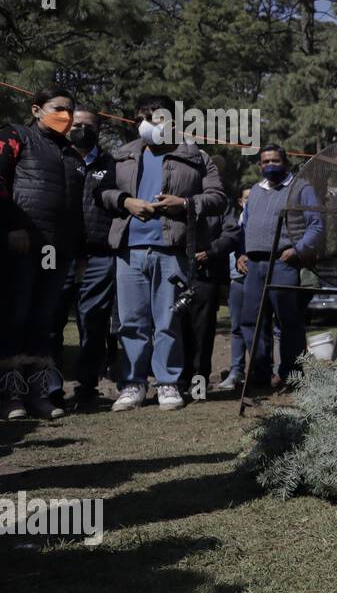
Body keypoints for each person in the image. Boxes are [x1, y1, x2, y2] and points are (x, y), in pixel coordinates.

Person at [99, 95, 226, 412]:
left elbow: (218, 197)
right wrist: (126, 201)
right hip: (129, 249)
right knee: (130, 321)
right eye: (143, 117)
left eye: (157, 117)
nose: (150, 123)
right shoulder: (121, 155)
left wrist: (184, 204)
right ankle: (132, 384)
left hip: (173, 249)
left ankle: (169, 382)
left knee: (168, 319)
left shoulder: (195, 156)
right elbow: (101, 192)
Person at [0, 87, 85, 420]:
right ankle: (10, 396)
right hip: (21, 243)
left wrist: (79, 252)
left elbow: (75, 208)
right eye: (58, 108)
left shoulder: (73, 156)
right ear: (37, 109)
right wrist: (11, 224)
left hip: (56, 251)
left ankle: (38, 394)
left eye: (70, 109)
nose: (65, 115)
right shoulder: (15, 136)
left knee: (45, 323)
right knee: (14, 318)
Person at [237, 145, 323, 390]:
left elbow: (316, 225)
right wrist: (242, 252)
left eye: (275, 160)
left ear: (286, 163)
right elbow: (245, 226)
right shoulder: (255, 190)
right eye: (265, 162)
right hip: (254, 265)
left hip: (283, 263)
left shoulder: (300, 188)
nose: (270, 165)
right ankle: (260, 374)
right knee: (252, 320)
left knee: (288, 321)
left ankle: (291, 375)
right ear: (259, 166)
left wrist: (298, 249)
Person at [66, 107, 117, 412]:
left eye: (88, 125)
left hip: (100, 252)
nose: (82, 129)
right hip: (59, 253)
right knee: (53, 317)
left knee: (93, 320)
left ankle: (87, 386)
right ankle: (50, 387)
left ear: (98, 128)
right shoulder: (58, 158)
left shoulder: (112, 163)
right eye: (76, 124)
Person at [180, 161, 242, 397]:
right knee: (174, 329)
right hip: (176, 273)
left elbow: (232, 232)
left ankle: (197, 385)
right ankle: (175, 382)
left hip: (207, 275)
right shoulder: (176, 198)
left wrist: (211, 251)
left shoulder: (221, 203)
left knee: (202, 333)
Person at [212, 187, 251, 391]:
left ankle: (260, 370)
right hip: (237, 277)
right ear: (239, 201)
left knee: (256, 326)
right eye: (246, 198)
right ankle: (236, 371)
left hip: (255, 277)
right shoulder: (235, 221)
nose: (250, 201)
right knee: (236, 325)